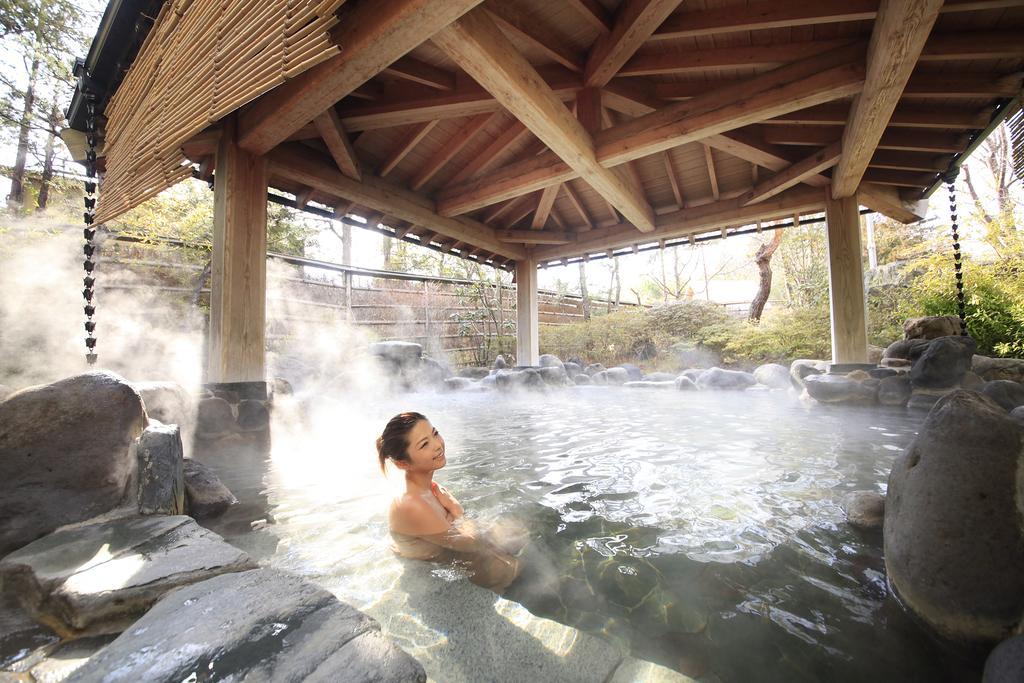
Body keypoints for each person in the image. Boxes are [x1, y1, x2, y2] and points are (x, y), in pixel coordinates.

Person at [376, 412, 522, 592]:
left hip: (449, 548)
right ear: (403, 463)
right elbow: (471, 544)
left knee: (517, 532)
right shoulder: (412, 505)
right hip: (433, 568)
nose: (438, 445)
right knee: (511, 570)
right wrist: (455, 508)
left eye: (435, 433)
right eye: (424, 444)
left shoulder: (428, 487)